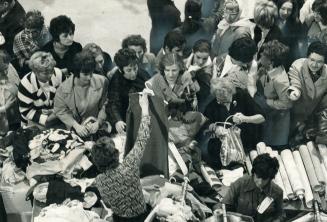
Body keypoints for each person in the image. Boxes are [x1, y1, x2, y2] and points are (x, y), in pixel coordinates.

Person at [93, 92, 151, 222]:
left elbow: (108, 204)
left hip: (119, 219)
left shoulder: (99, 181)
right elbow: (143, 136)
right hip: (141, 215)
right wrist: (145, 108)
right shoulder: (129, 165)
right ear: (116, 154)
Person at [200, 78, 265, 169]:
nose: (222, 102)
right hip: (226, 148)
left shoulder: (242, 96)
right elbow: (205, 125)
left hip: (247, 142)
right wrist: (215, 128)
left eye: (225, 99)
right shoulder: (213, 105)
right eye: (219, 99)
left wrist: (244, 118)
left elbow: (261, 118)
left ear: (231, 92)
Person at [54, 51, 109, 138]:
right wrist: (76, 125)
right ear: (76, 72)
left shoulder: (102, 81)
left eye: (91, 72)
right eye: (85, 74)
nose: (90, 77)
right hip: (76, 129)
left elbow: (105, 104)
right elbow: (60, 110)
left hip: (98, 126)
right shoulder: (63, 89)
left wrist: (99, 122)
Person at [222, 153, 283, 222]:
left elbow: (280, 214)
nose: (260, 182)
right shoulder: (240, 184)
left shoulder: (277, 192)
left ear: (270, 178)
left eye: (264, 179)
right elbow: (224, 206)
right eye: (258, 177)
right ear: (253, 172)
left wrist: (277, 220)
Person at [253, 40, 292, 148]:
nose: (260, 54)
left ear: (271, 61)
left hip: (277, 123)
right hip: (269, 116)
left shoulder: (280, 80)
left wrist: (267, 102)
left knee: (273, 149)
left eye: (264, 54)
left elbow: (287, 104)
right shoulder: (266, 69)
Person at [287, 41, 327, 138]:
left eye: (319, 62)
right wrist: (294, 91)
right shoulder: (297, 66)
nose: (314, 64)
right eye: (312, 60)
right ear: (307, 57)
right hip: (293, 112)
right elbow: (295, 83)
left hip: (311, 115)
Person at [106, 48, 150, 134]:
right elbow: (113, 103)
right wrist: (118, 121)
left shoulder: (143, 74)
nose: (133, 73)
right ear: (120, 69)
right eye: (129, 70)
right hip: (124, 118)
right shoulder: (116, 80)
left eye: (135, 68)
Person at [17, 51, 64, 128]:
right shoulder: (25, 84)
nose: (50, 75)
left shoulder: (58, 73)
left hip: (57, 116)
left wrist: (55, 112)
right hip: (33, 121)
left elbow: (67, 97)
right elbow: (25, 110)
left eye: (51, 70)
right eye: (45, 73)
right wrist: (47, 119)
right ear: (35, 72)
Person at [13, 10, 51, 76]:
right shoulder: (20, 37)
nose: (29, 35)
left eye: (34, 32)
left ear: (41, 28)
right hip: (26, 64)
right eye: (27, 31)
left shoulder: (49, 30)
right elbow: (33, 58)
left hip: (45, 58)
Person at [184, 39, 213, 112]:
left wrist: (193, 78)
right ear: (193, 51)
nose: (201, 62)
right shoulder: (186, 55)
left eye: (205, 59)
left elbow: (204, 93)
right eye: (198, 57)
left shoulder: (206, 74)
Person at [276, 0, 304, 69]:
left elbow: (298, 45)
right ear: (278, 7)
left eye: (289, 10)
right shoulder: (271, 20)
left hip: (289, 61)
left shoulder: (296, 23)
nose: (286, 12)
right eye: (283, 9)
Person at [0, 50, 20, 132]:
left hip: (17, 116)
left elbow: (17, 82)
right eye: (1, 70)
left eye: (6, 68)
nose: (6, 71)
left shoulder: (9, 66)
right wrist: (5, 108)